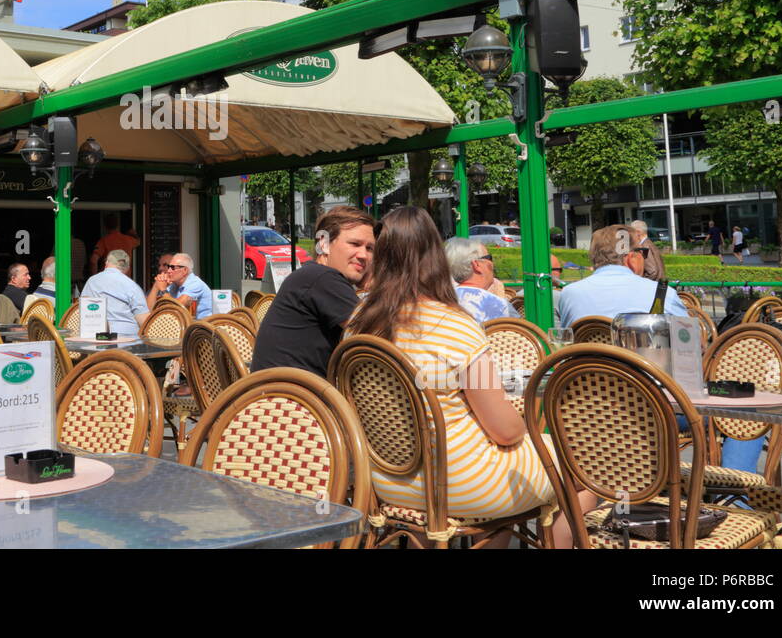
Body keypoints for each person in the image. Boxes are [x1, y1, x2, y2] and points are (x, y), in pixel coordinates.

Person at [346, 206, 593, 548]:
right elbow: (505, 431)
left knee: (505, 473)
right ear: (435, 258)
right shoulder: (453, 325)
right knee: (581, 465)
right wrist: (524, 419)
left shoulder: (357, 323)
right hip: (460, 485)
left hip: (387, 481)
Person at [251, 206, 372, 378]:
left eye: (370, 248)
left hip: (273, 396)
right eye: (355, 244)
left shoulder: (310, 275)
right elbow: (377, 337)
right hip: (295, 400)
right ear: (323, 243)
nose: (364, 255)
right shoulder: (323, 278)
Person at [556, 225, 687, 328]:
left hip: (588, 362)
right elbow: (691, 345)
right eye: (643, 252)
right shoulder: (662, 294)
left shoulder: (569, 294)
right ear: (631, 257)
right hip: (642, 362)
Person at [444, 237, 513, 326]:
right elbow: (522, 334)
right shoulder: (499, 305)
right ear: (476, 265)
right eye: (489, 258)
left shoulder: (440, 300)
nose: (492, 263)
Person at [79, 249, 149, 336]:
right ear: (127, 268)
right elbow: (144, 321)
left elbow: (84, 309)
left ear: (106, 263)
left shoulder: (92, 281)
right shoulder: (132, 286)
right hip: (128, 340)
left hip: (96, 337)